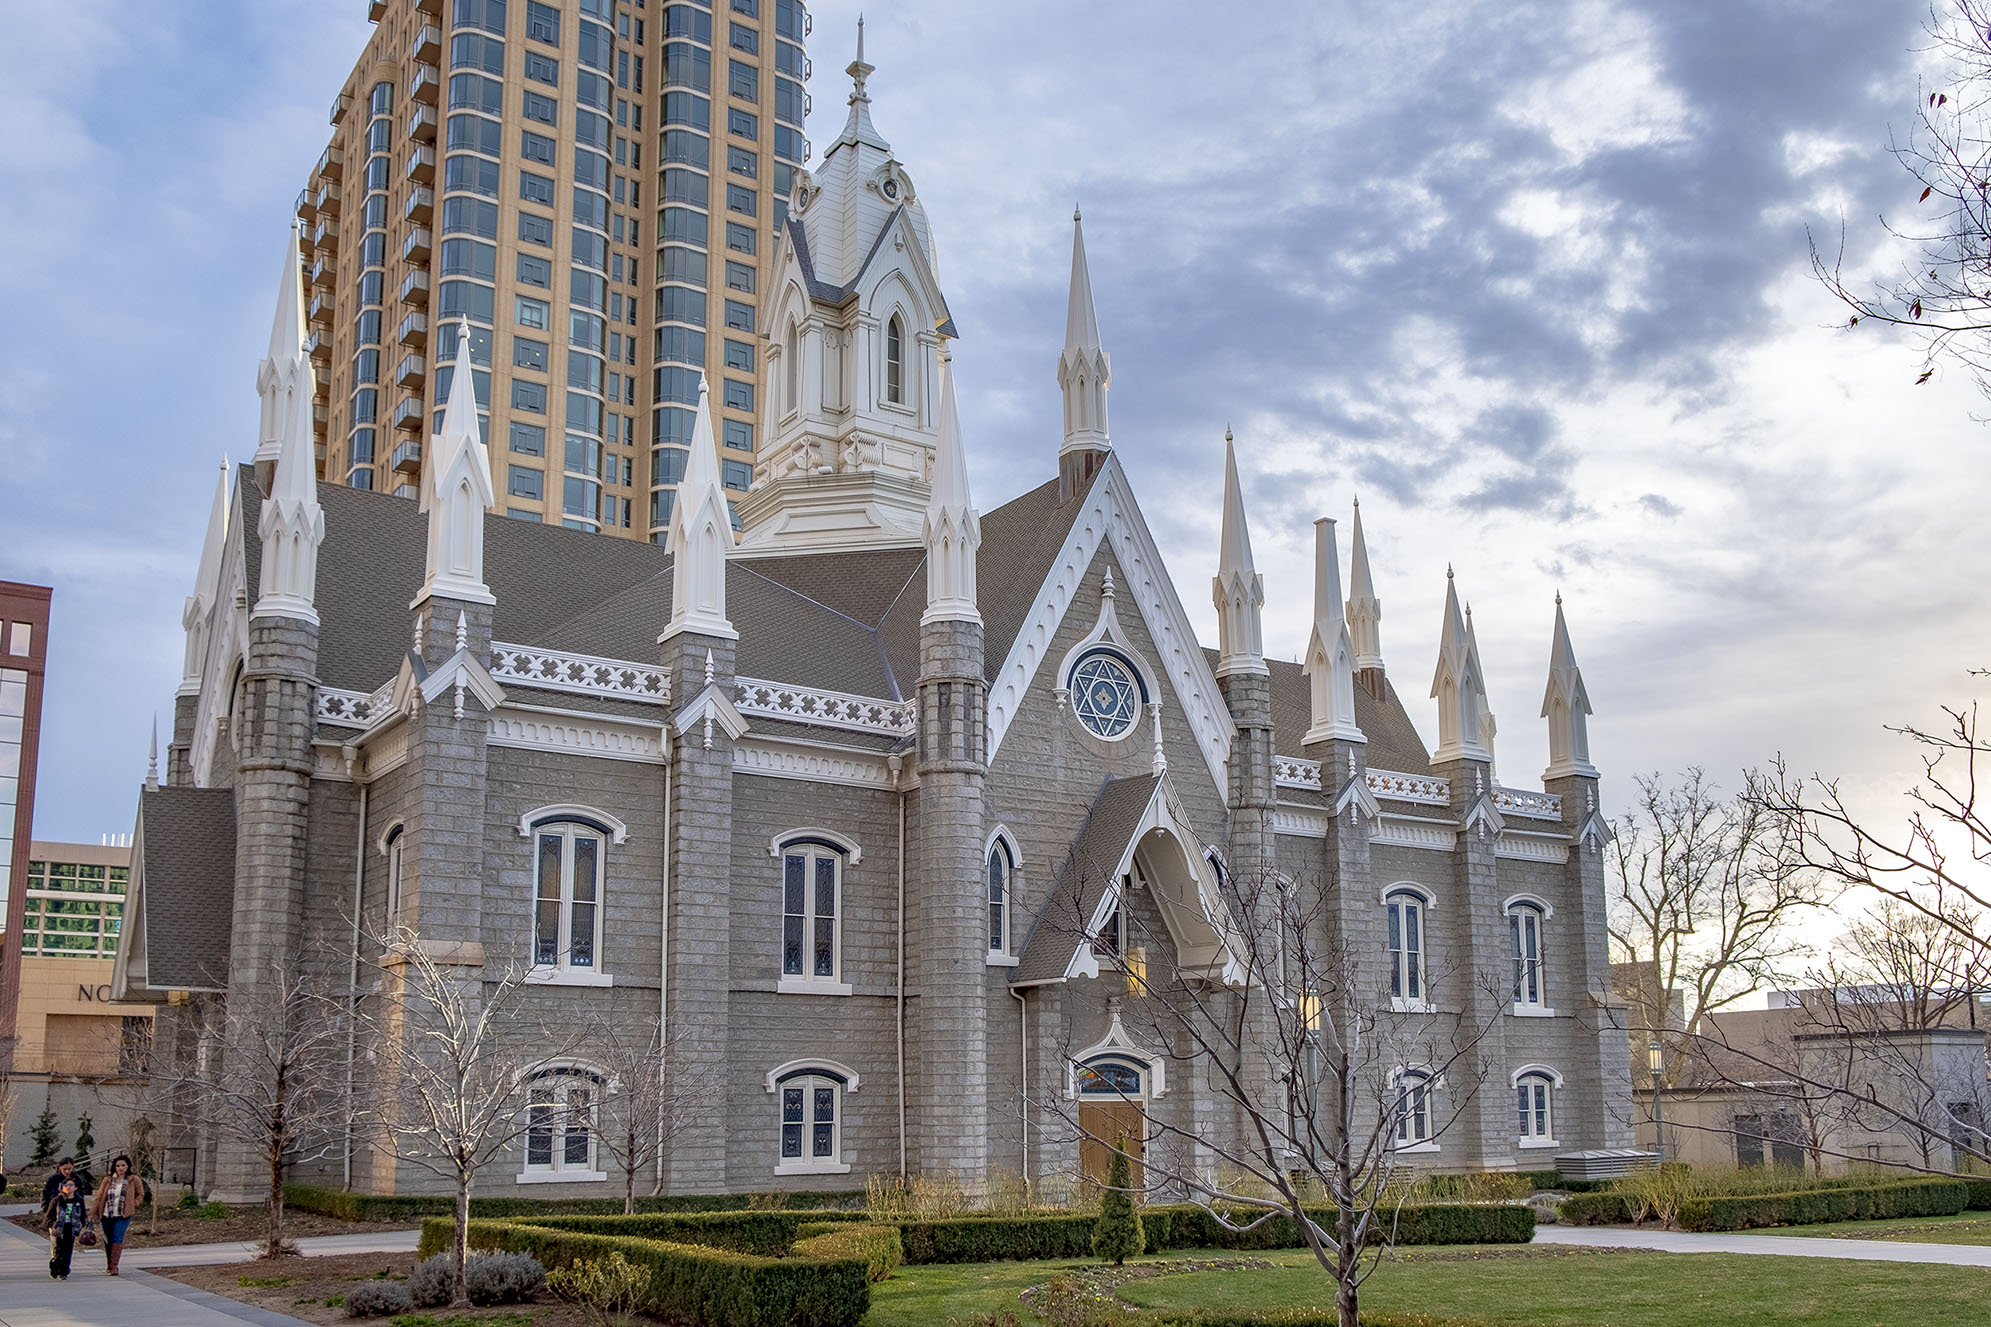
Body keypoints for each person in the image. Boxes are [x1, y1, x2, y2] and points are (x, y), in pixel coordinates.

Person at [88, 1155, 146, 1275]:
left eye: (123, 1165)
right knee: (108, 1239)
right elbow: (99, 1197)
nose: (120, 1168)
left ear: (128, 1166)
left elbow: (140, 1194)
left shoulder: (133, 1179)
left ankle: (114, 1266)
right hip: (106, 1214)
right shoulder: (108, 1180)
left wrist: (133, 1204)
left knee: (117, 1238)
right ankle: (109, 1264)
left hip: (123, 1215)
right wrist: (92, 1213)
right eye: (118, 1165)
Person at [43, 1176, 87, 1280]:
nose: (68, 1187)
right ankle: (54, 1268)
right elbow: (49, 1215)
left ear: (75, 1188)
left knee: (68, 1250)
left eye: (71, 1185)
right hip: (59, 1227)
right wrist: (52, 1224)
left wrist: (81, 1224)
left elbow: (82, 1214)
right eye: (66, 1185)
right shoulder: (57, 1200)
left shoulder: (79, 1200)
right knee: (58, 1250)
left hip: (71, 1227)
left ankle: (64, 1271)